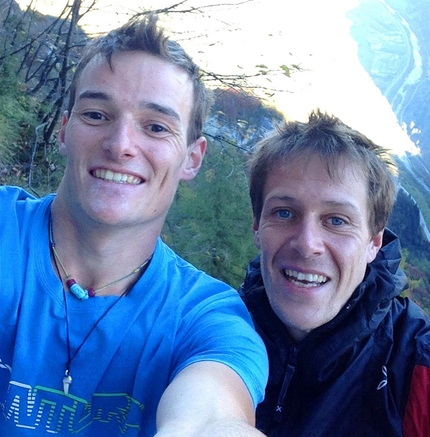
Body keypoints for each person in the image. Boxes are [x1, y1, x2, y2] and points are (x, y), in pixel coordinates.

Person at [0, 15, 268, 436]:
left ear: (192, 158)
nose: (121, 144)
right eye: (96, 114)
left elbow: (214, 413)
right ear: (65, 129)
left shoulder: (203, 317)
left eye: (156, 127)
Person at [239, 110, 430, 437]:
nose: (307, 244)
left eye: (337, 220)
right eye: (284, 213)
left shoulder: (415, 363)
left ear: (374, 242)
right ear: (257, 226)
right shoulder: (208, 331)